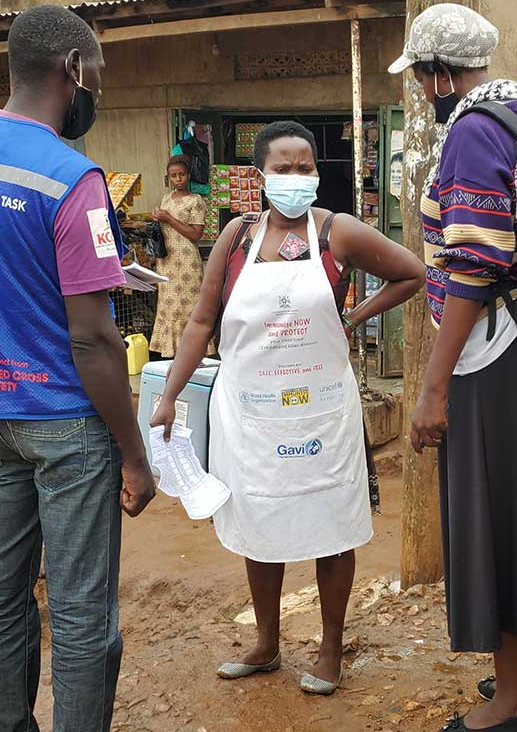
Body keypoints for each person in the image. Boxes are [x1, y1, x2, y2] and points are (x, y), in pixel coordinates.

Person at [0, 5, 156, 732]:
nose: (98, 89)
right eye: (99, 75)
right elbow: (93, 339)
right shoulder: (74, 177)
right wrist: (134, 453)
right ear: (72, 71)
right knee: (82, 612)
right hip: (68, 424)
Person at [149, 120, 425, 696]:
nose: (297, 178)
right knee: (258, 521)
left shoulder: (337, 232)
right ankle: (267, 642)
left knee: (331, 524)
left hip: (321, 412)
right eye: (284, 168)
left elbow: (411, 272)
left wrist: (355, 316)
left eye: (306, 168)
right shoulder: (236, 237)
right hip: (250, 416)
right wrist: (170, 394)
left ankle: (330, 649)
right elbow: (203, 320)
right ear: (259, 176)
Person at [393, 3, 517, 732]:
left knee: (492, 522)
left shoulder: (469, 131)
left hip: (487, 356)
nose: (423, 92)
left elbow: (473, 261)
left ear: (437, 74)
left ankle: (515, 701)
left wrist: (433, 386)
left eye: (422, 77)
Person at [149, 154, 212, 358]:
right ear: (168, 177)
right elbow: (165, 226)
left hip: (186, 262)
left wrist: (169, 218)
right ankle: (171, 352)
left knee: (188, 305)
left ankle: (193, 350)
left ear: (188, 175)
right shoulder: (166, 198)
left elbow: (195, 234)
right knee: (168, 304)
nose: (178, 179)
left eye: (181, 174)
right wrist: (158, 219)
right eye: (173, 175)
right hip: (167, 260)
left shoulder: (196, 201)